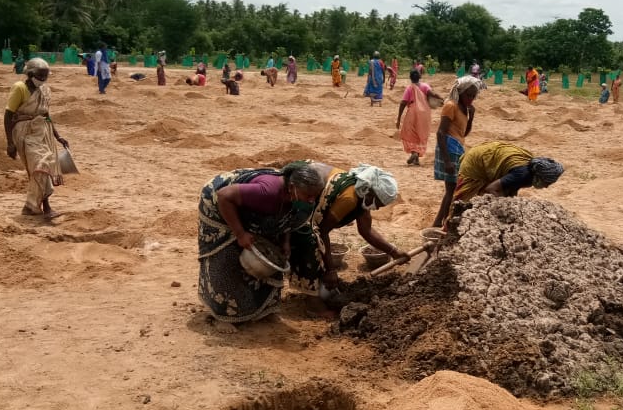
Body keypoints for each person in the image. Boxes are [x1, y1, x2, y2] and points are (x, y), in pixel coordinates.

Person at [197, 163, 325, 324]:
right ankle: (222, 316)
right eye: (308, 195)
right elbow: (224, 196)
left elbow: (287, 217)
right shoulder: (268, 193)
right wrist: (240, 233)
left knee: (274, 251)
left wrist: (285, 241)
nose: (312, 200)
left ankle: (263, 310)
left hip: (252, 206)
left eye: (315, 196)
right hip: (218, 203)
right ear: (292, 187)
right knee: (228, 254)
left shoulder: (296, 196)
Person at [289, 163, 408, 296]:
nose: (378, 208)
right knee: (310, 240)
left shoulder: (362, 194)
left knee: (318, 246)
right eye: (378, 203)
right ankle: (312, 302)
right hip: (301, 189)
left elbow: (366, 231)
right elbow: (322, 231)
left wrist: (394, 252)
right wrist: (331, 270)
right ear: (369, 193)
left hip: (308, 187)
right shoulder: (349, 199)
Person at [3, 57, 68, 219]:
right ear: (30, 74)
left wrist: (58, 136)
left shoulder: (45, 90)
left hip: (41, 131)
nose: (43, 80)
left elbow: (46, 114)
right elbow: (8, 115)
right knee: (41, 164)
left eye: (45, 77)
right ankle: (41, 207)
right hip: (24, 133)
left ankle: (37, 207)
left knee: (41, 169)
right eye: (40, 76)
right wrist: (10, 143)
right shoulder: (19, 88)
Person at [432, 77, 479, 227]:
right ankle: (439, 222)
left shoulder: (465, 109)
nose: (471, 99)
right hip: (449, 148)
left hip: (458, 148)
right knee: (451, 189)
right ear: (460, 93)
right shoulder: (450, 106)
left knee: (453, 189)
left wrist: (471, 118)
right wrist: (446, 161)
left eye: (473, 96)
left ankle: (442, 220)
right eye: (468, 95)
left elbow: (464, 133)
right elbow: (440, 133)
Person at [453, 141, 564, 201]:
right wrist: (503, 206)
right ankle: (447, 231)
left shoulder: (530, 171)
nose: (546, 187)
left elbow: (511, 187)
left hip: (487, 156)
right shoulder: (523, 175)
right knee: (461, 201)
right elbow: (491, 188)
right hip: (476, 161)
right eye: (546, 183)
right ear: (540, 176)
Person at [397, 68, 442, 166]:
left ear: (410, 78)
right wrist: (441, 98)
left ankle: (414, 153)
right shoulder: (425, 86)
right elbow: (432, 94)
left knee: (410, 133)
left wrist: (399, 118)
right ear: (420, 77)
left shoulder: (409, 88)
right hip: (425, 113)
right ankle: (416, 157)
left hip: (413, 111)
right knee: (422, 133)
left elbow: (403, 103)